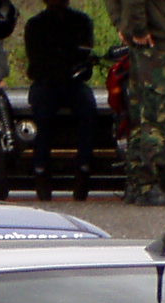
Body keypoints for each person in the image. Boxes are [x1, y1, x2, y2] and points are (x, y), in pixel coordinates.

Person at [105, 0, 165, 204]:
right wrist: (137, 28)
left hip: (146, 42)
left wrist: (123, 24)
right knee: (157, 117)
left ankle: (136, 184)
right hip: (156, 41)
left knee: (140, 118)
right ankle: (147, 184)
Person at [24, 0, 94, 200]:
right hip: (46, 81)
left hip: (74, 82)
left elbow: (85, 55)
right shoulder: (35, 24)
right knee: (42, 115)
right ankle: (41, 170)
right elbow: (36, 60)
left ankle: (84, 168)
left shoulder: (81, 21)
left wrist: (76, 70)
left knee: (88, 108)